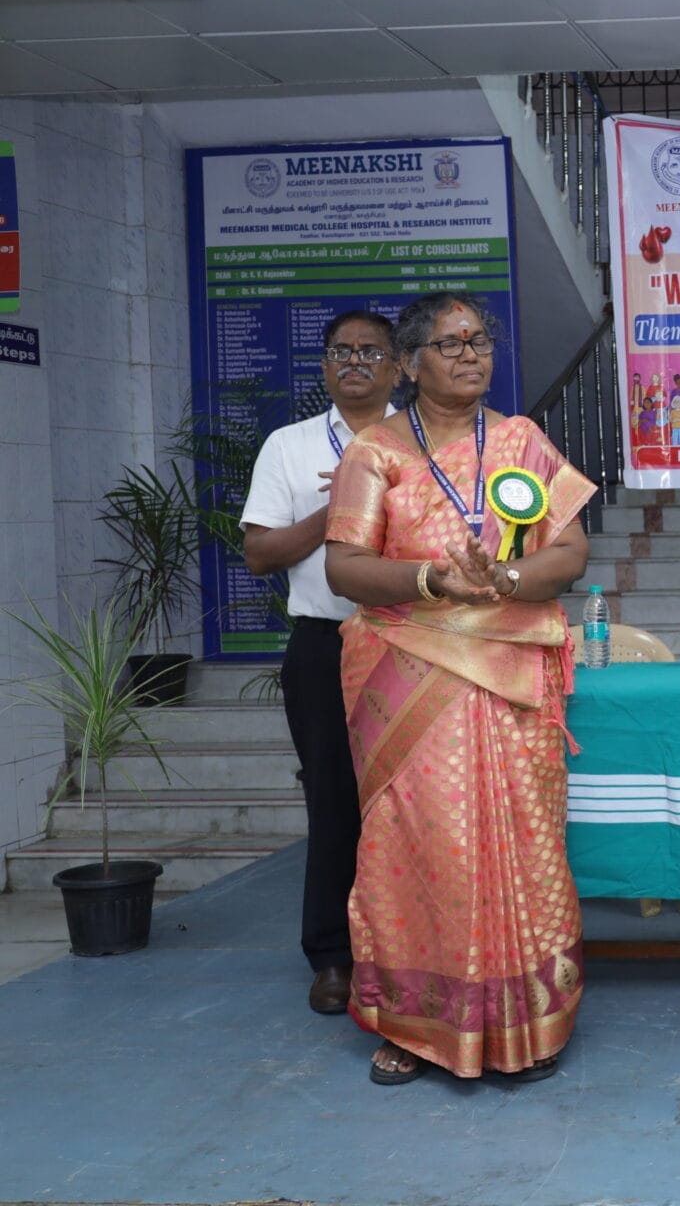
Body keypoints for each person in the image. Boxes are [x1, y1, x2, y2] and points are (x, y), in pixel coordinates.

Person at [323, 292, 594, 1085]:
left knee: (526, 841)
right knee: (417, 845)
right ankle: (413, 1027)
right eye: (450, 343)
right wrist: (431, 580)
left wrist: (506, 578)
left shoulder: (521, 441)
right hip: (409, 677)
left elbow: (569, 551)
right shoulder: (375, 453)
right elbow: (344, 567)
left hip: (511, 679)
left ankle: (528, 1024)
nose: (471, 354)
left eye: (479, 340)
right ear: (410, 364)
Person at [239, 309, 402, 1017]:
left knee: (413, 799)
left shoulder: (422, 441)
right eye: (341, 351)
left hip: (412, 641)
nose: (355, 362)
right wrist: (338, 506)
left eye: (371, 351)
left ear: (398, 367)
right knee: (333, 800)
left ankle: (408, 946)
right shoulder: (289, 445)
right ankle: (333, 956)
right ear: (325, 367)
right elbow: (260, 554)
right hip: (325, 644)